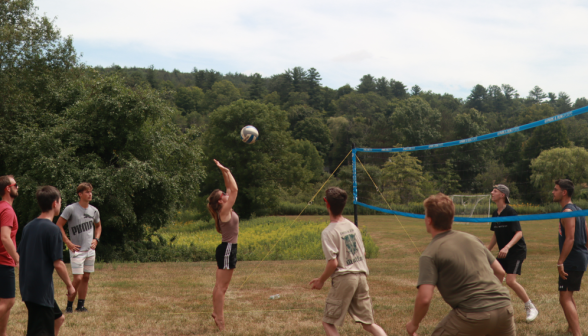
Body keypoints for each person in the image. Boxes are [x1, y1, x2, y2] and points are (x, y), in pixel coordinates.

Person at [406, 193, 515, 336]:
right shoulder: (473, 239)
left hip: (472, 314)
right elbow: (500, 272)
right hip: (505, 309)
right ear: (452, 218)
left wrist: (414, 324)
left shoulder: (430, 253)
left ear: (429, 221)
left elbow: (425, 298)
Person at [309, 187, 387, 336]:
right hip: (361, 276)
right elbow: (362, 252)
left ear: (327, 203)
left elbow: (333, 263)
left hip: (345, 278)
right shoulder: (352, 226)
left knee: (328, 322)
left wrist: (320, 281)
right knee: (369, 324)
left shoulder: (328, 232)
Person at [19, 186, 76, 336]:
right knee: (39, 331)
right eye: (60, 202)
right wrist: (70, 286)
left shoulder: (28, 227)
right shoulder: (53, 229)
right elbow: (58, 263)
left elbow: (21, 256)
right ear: (54, 204)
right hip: (40, 290)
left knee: (58, 319)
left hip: (28, 287)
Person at [487, 184, 538, 322]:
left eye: (495, 191)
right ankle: (495, 311)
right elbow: (496, 235)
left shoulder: (510, 212)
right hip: (504, 252)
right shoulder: (495, 213)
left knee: (510, 281)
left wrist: (507, 247)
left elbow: (519, 233)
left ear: (502, 195)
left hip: (516, 251)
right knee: (495, 279)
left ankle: (530, 306)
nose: (492, 192)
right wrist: (487, 250)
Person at [56, 183, 102, 313]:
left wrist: (96, 239)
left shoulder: (94, 210)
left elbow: (98, 226)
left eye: (91, 192)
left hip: (90, 250)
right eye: (87, 192)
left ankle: (80, 306)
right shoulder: (71, 209)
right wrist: (68, 243)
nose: (90, 194)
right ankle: (69, 305)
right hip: (77, 250)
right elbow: (58, 225)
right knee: (78, 278)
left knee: (86, 277)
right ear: (80, 194)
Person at [207, 160, 239, 331]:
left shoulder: (224, 208)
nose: (226, 195)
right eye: (223, 195)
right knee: (222, 287)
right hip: (227, 249)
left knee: (219, 285)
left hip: (226, 249)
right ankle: (220, 319)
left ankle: (215, 312)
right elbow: (234, 190)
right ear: (220, 201)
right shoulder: (225, 210)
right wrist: (227, 170)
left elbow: (229, 188)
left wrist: (224, 172)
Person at [553, 179, 588, 336]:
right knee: (568, 294)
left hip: (572, 259)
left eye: (556, 189)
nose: (553, 192)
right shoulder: (578, 209)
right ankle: (571, 327)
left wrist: (561, 262)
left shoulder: (567, 212)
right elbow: (587, 234)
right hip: (580, 257)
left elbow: (570, 238)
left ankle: (577, 333)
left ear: (564, 192)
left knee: (564, 297)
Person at [0, 175, 19, 336]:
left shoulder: (1, 207)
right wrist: (16, 257)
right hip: (4, 261)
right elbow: (5, 237)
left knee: (3, 301)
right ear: (8, 188)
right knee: (9, 301)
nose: (17, 188)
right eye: (16, 185)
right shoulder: (7, 209)